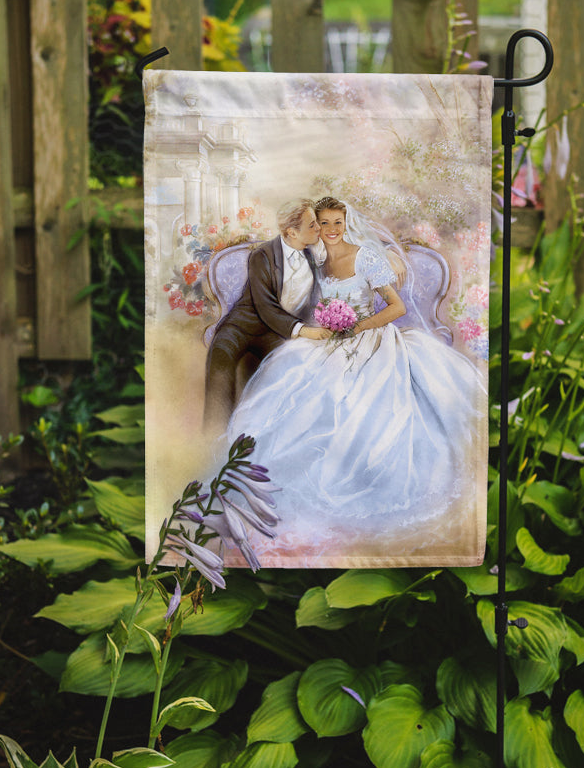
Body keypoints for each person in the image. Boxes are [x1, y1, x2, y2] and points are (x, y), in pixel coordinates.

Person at [223, 196, 487, 561]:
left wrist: (358, 325)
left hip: (370, 337)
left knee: (361, 402)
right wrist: (327, 325)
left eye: (337, 223)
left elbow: (398, 307)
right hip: (330, 338)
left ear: (346, 224)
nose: (330, 231)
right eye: (323, 223)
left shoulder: (366, 257)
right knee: (297, 381)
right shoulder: (314, 257)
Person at [203, 198, 329, 432]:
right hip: (242, 326)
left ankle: (275, 437)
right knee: (221, 354)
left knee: (298, 366)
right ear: (292, 232)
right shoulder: (262, 255)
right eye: (312, 225)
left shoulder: (313, 254)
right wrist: (306, 330)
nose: (319, 228)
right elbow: (266, 307)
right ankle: (214, 439)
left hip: (276, 331)